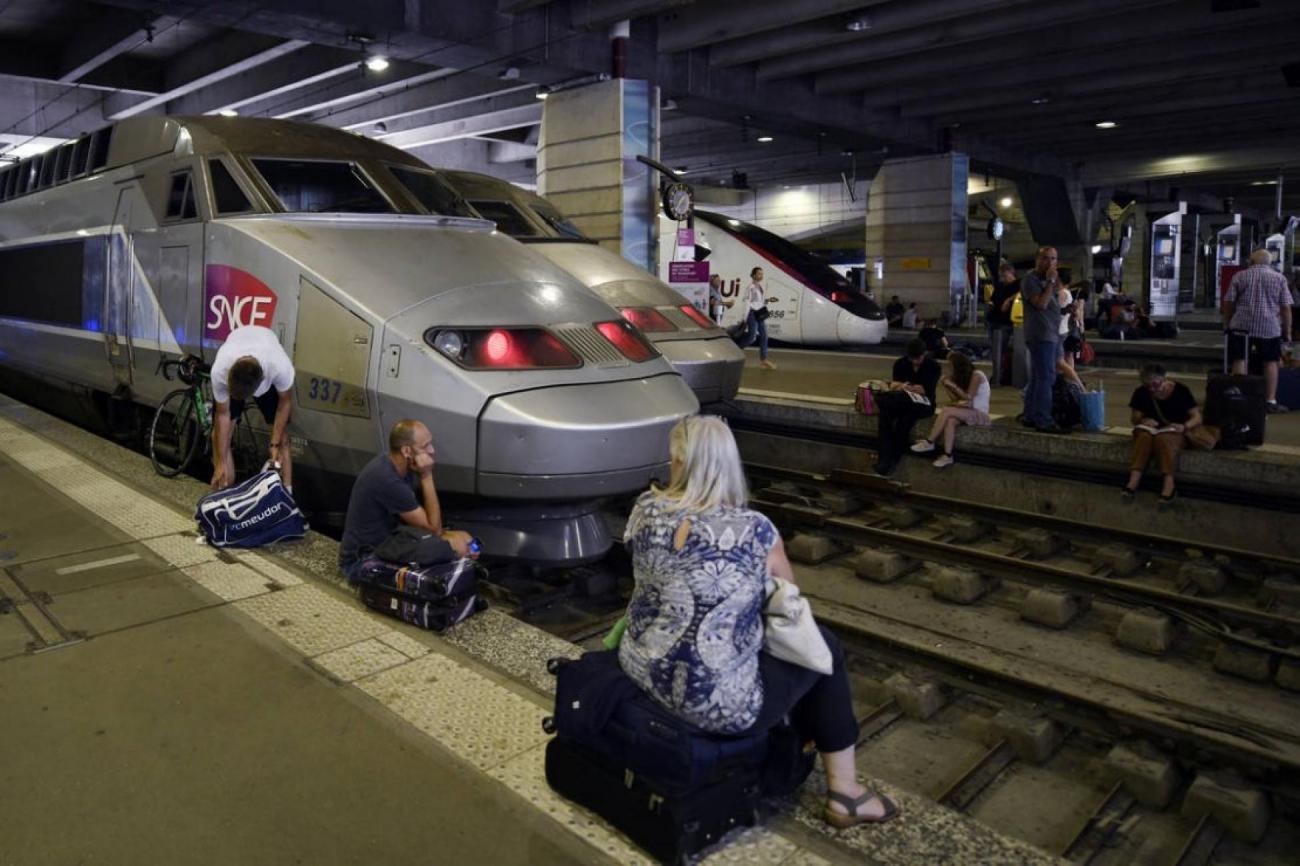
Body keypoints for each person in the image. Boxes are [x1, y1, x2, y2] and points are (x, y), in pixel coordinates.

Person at [618, 416, 898, 828]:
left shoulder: (644, 509)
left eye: (673, 460)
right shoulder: (758, 531)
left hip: (641, 668)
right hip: (716, 705)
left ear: (681, 462)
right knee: (824, 646)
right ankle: (846, 794)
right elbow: (789, 604)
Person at [338, 419, 474, 579]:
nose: (432, 450)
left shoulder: (397, 464)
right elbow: (434, 529)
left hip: (388, 539)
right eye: (425, 446)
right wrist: (426, 475)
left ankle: (458, 579)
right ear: (407, 451)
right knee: (462, 546)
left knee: (467, 539)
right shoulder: (387, 479)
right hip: (361, 561)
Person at [209, 324, 295, 491]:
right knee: (219, 435)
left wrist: (274, 443)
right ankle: (223, 484)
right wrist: (220, 463)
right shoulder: (220, 370)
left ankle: (287, 493)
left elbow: (285, 402)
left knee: (283, 438)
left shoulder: (279, 366)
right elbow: (222, 415)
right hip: (238, 355)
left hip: (265, 355)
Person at [1224, 248, 1295, 413]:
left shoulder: (1240, 276)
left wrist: (1228, 323)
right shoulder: (1279, 278)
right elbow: (1285, 307)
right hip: (1269, 327)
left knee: (1240, 359)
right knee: (1270, 362)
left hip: (1241, 325)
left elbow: (1229, 302)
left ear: (1252, 261)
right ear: (1270, 262)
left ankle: (1239, 398)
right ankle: (1270, 400)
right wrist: (1288, 330)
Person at [1123, 364, 1203, 505]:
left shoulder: (1181, 391)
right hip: (1151, 431)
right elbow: (1135, 418)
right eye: (1148, 386)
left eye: (1156, 384)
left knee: (1163, 440)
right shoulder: (1141, 393)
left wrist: (1184, 426)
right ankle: (1134, 480)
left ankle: (1169, 483)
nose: (1153, 389)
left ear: (1164, 379)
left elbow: (1197, 417)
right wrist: (1143, 420)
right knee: (1144, 437)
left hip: (1175, 432)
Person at [872, 338, 941, 475]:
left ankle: (890, 460)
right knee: (885, 418)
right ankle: (884, 459)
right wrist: (906, 387)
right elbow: (894, 385)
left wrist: (904, 386)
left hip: (923, 404)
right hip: (902, 401)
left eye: (918, 358)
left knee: (904, 422)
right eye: (912, 358)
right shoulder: (900, 363)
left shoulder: (933, 366)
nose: (915, 362)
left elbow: (925, 390)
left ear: (924, 354)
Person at [910, 351, 990, 468]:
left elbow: (968, 398)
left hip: (978, 413)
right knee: (950, 420)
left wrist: (953, 385)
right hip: (967, 411)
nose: (948, 367)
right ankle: (948, 455)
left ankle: (929, 441)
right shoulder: (963, 377)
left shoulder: (976, 375)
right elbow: (955, 399)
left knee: (947, 410)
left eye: (950, 365)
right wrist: (946, 385)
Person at [1021, 247, 1065, 433]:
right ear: (1037, 259)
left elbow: (1051, 307)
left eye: (1053, 259)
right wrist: (1050, 282)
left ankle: (1030, 415)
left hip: (1052, 334)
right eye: (1045, 258)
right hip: (1040, 335)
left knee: (1039, 377)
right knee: (1046, 378)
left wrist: (1065, 310)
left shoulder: (1046, 281)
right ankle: (1043, 419)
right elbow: (1041, 304)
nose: (1050, 263)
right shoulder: (1030, 280)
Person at [735, 266, 776, 370]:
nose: (761, 276)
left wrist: (765, 303)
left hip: (759, 313)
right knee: (752, 337)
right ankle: (735, 349)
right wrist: (744, 317)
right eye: (759, 274)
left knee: (764, 335)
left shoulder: (759, 287)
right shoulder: (751, 287)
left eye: (762, 274)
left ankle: (764, 360)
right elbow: (747, 303)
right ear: (753, 275)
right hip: (752, 314)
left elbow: (758, 301)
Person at [987, 263, 1018, 386]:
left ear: (1011, 273)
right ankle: (997, 374)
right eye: (1001, 276)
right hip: (994, 319)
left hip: (1006, 322)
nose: (1003, 279)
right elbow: (994, 299)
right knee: (995, 349)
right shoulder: (1000, 286)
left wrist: (1009, 300)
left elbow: (1022, 294)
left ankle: (1000, 375)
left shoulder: (1018, 285)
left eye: (1005, 276)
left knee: (1001, 349)